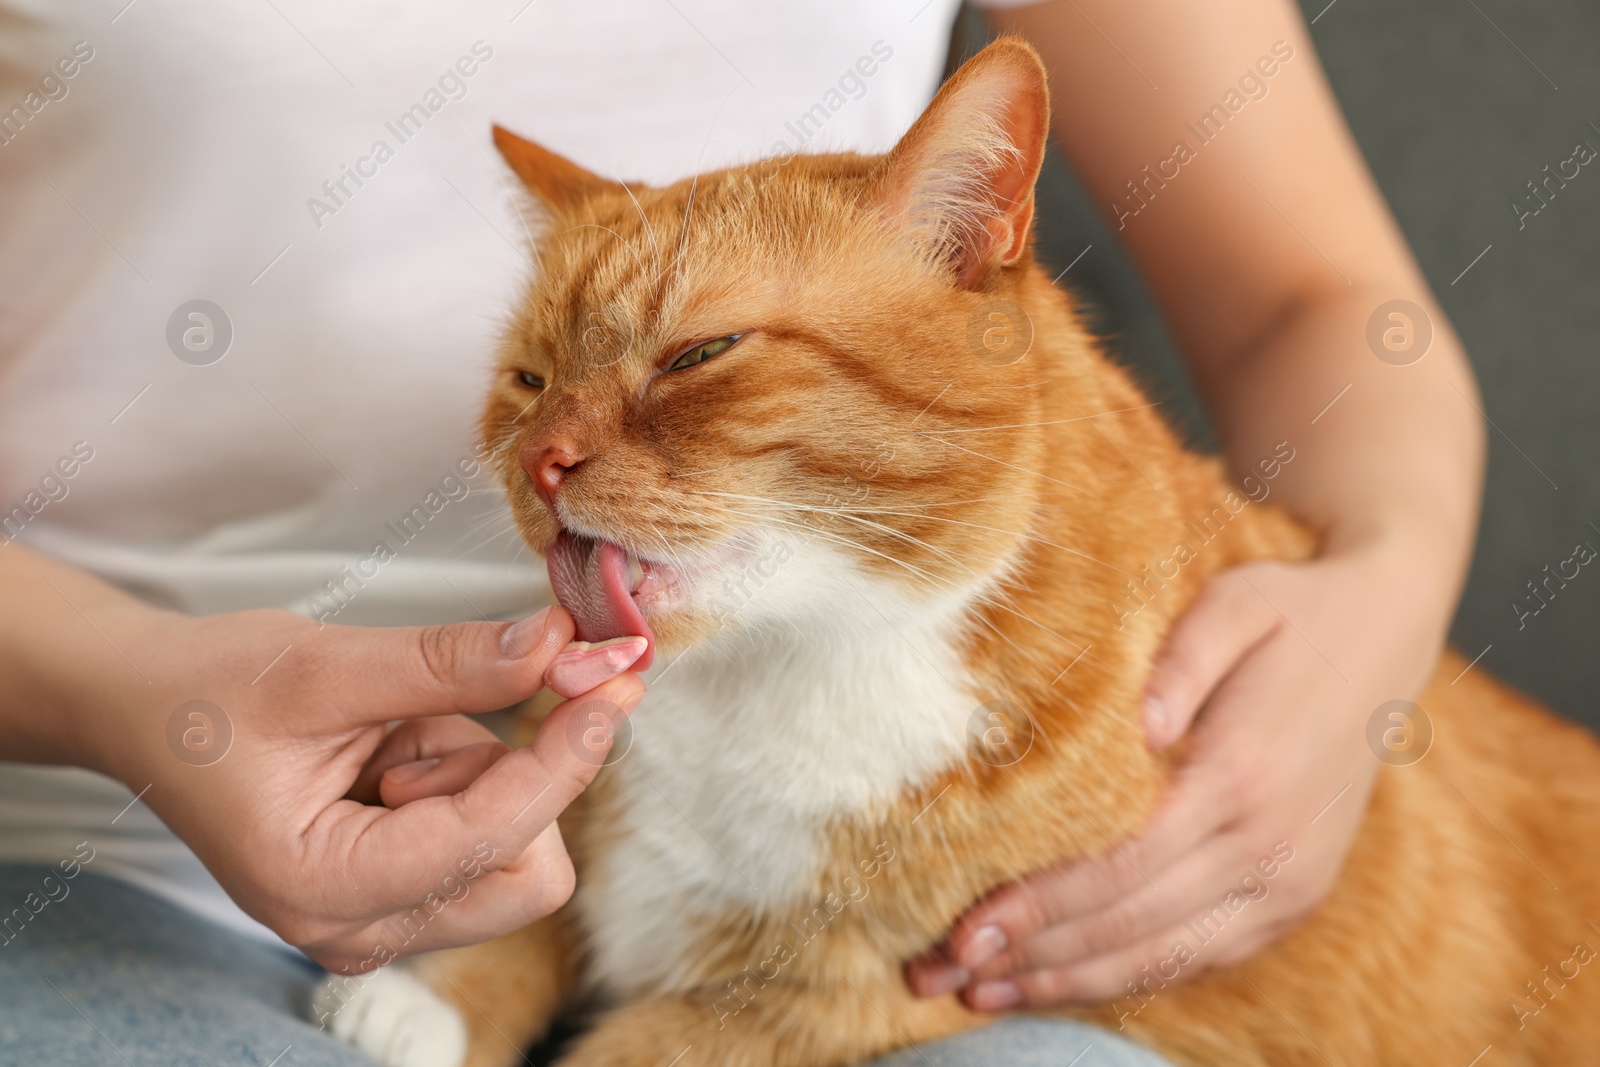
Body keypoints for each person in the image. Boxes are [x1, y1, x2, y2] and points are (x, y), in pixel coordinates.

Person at [0, 3, 1480, 1067]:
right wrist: (127, 697)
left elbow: (1320, 301)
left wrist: (1386, 596)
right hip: (110, 836)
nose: (557, 451)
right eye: (529, 392)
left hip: (822, 842)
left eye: (693, 366)